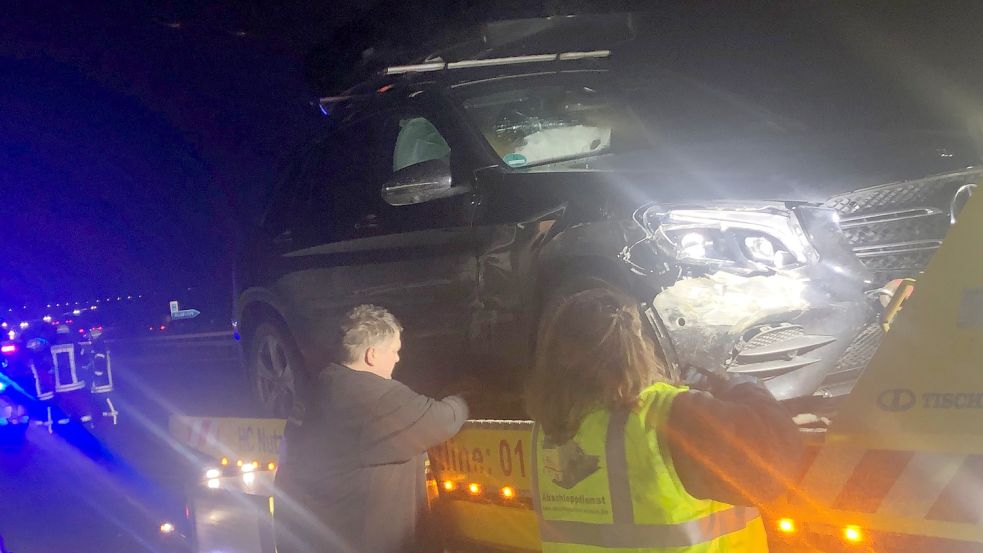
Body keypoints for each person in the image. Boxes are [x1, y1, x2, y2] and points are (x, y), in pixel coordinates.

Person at [524, 288, 803, 552]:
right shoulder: (669, 414)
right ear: (634, 346)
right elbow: (775, 463)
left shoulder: (548, 431)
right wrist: (743, 387)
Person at [274, 304, 469, 553]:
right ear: (372, 355)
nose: (398, 358)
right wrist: (466, 398)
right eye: (394, 351)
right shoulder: (372, 398)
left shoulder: (320, 387)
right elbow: (443, 420)